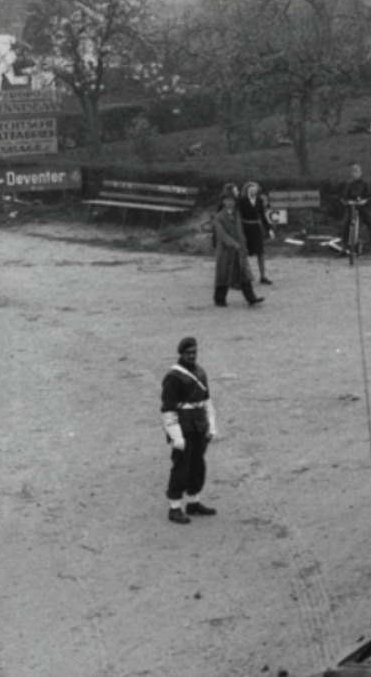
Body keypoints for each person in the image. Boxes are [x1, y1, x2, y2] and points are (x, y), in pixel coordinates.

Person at [161, 337, 217, 524]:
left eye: (194, 352)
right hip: (183, 427)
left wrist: (211, 425)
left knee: (197, 465)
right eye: (188, 353)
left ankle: (193, 502)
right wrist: (175, 435)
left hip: (199, 425)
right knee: (181, 467)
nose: (192, 356)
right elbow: (168, 409)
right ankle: (174, 507)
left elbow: (207, 401)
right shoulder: (173, 377)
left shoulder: (200, 372)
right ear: (181, 354)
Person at [213, 195, 264, 307]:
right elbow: (221, 235)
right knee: (223, 275)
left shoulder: (237, 214)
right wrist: (234, 244)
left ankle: (251, 298)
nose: (230, 203)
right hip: (225, 251)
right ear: (223, 202)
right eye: (227, 200)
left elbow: (240, 232)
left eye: (232, 200)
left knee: (243, 273)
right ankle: (219, 299)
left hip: (238, 250)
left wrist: (243, 245)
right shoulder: (219, 217)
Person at [340, 163, 371, 258]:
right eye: (354, 172)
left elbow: (370, 197)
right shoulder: (349, 185)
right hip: (352, 208)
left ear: (361, 173)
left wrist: (364, 201)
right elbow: (344, 197)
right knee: (345, 224)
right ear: (352, 174)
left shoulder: (365, 184)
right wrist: (349, 202)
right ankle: (344, 247)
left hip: (363, 207)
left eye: (357, 172)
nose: (356, 174)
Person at [239, 182, 274, 284]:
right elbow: (239, 215)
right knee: (244, 253)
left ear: (257, 191)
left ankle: (263, 276)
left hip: (256, 229)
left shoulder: (259, 201)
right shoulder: (242, 201)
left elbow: (262, 216)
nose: (252, 191)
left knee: (260, 252)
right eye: (250, 190)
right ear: (247, 191)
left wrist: (269, 229)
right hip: (245, 228)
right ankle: (246, 275)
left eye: (254, 190)